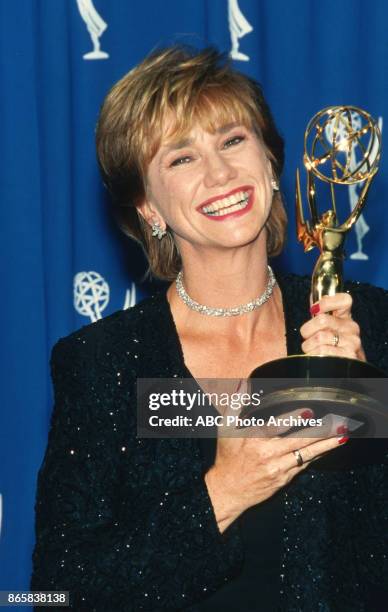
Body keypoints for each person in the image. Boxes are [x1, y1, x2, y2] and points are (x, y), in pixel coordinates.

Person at [31, 46, 388, 611]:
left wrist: (369, 404)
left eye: (232, 140)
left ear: (270, 162)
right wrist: (224, 490)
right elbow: (59, 589)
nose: (220, 173)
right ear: (148, 207)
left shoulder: (367, 321)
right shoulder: (103, 361)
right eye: (181, 158)